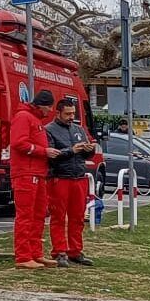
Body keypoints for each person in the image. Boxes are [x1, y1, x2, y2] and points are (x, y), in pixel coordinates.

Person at [43, 98, 98, 267]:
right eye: (67, 114)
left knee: (78, 217)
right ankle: (59, 251)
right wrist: (71, 151)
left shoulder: (78, 129)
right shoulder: (49, 130)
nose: (71, 117)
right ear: (58, 113)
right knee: (58, 217)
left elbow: (85, 155)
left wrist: (89, 150)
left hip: (78, 177)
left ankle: (75, 251)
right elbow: (51, 156)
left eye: (73, 113)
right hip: (60, 178)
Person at [8, 92, 57, 269]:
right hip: (26, 174)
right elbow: (18, 143)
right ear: (40, 105)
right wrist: (43, 151)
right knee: (26, 215)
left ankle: (35, 253)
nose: (50, 110)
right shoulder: (23, 117)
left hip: (37, 173)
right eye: (49, 106)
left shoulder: (35, 120)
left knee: (38, 215)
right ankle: (23, 256)